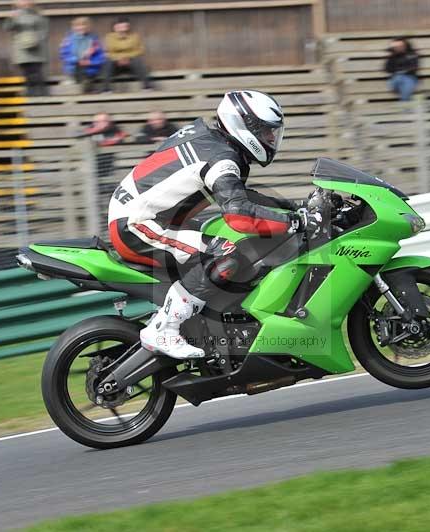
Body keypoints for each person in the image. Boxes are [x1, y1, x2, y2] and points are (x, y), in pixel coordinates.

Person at [107, 91, 319, 359]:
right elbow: (239, 213)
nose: (270, 139)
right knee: (226, 252)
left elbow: (240, 196)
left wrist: (291, 208)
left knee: (222, 237)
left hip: (148, 216)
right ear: (245, 126)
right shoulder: (222, 159)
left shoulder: (215, 143)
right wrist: (296, 221)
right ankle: (164, 328)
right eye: (266, 132)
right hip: (137, 225)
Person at [3, 0, 49, 96]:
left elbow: (44, 30)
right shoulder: (15, 15)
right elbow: (7, 28)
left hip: (37, 47)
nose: (24, 3)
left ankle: (41, 92)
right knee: (26, 71)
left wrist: (35, 40)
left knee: (36, 70)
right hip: (21, 48)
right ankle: (30, 91)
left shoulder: (38, 15)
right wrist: (10, 18)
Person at [103, 17, 154, 92]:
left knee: (138, 61)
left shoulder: (135, 36)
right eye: (120, 26)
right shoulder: (109, 37)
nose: (123, 28)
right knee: (108, 62)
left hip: (131, 63)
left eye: (125, 26)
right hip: (116, 64)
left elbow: (140, 50)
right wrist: (120, 58)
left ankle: (147, 87)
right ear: (115, 27)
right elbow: (108, 51)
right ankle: (106, 89)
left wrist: (127, 58)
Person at [59, 17, 105, 93]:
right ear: (74, 27)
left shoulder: (94, 40)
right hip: (75, 68)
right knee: (80, 67)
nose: (81, 28)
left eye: (83, 25)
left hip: (91, 68)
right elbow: (64, 56)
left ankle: (86, 84)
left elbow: (101, 57)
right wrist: (78, 59)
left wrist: (90, 62)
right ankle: (86, 84)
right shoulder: (68, 40)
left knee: (88, 73)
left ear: (87, 27)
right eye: (78, 26)